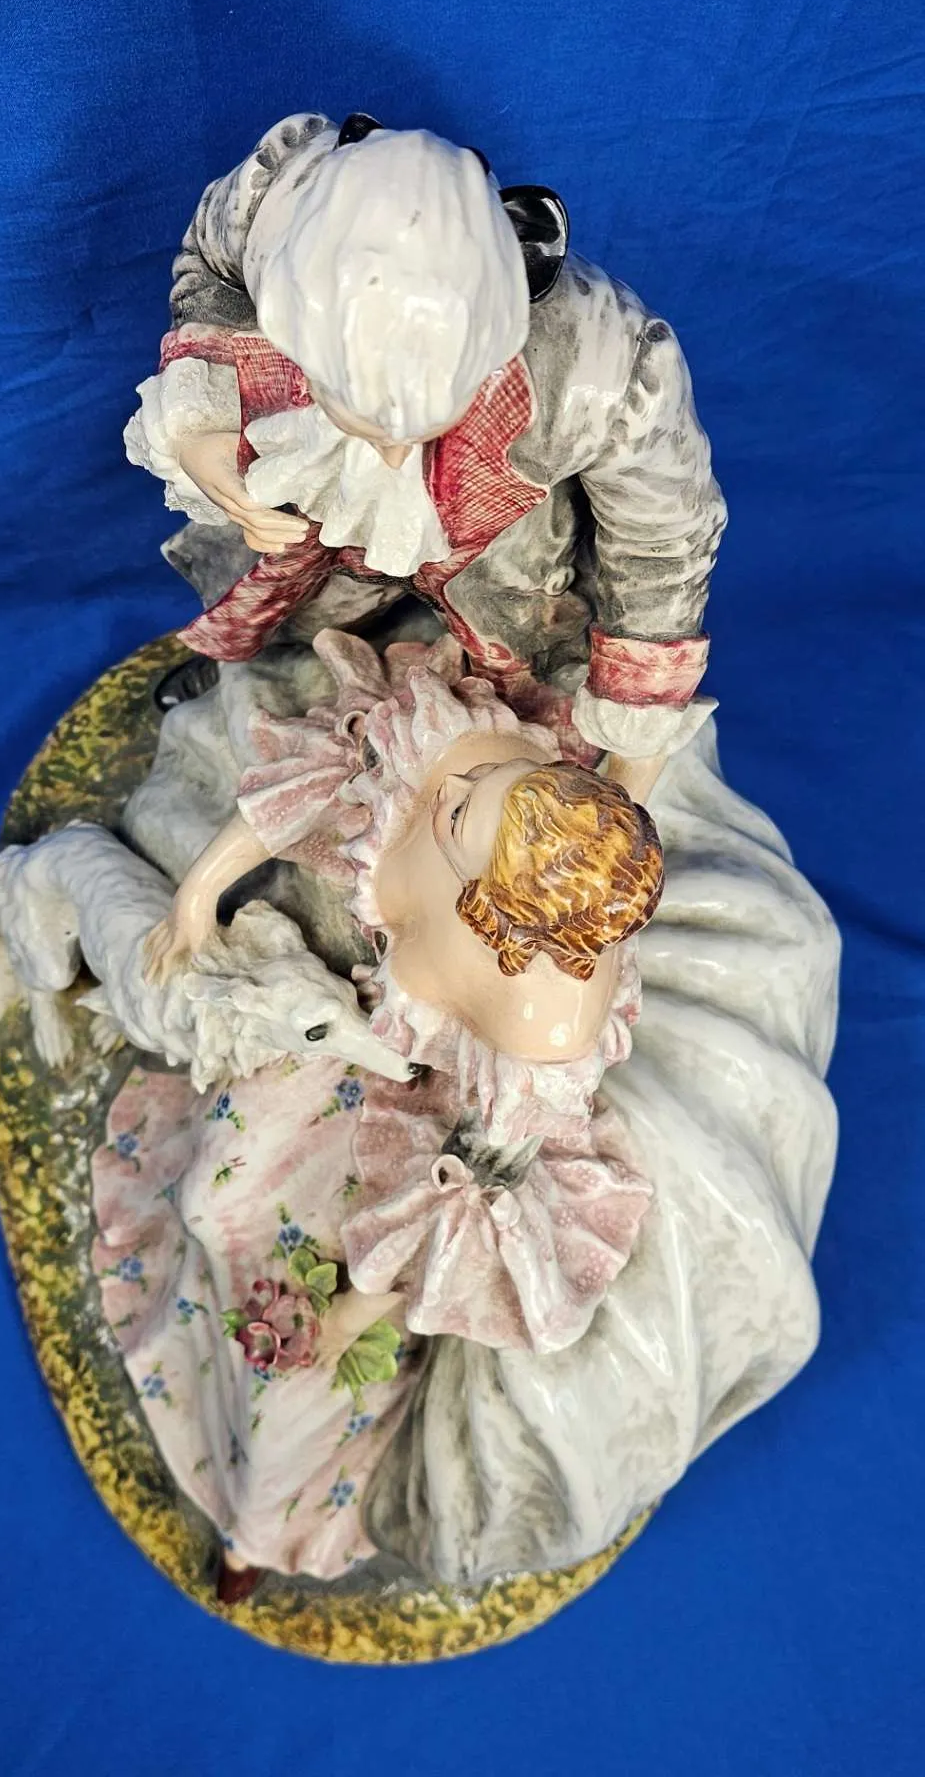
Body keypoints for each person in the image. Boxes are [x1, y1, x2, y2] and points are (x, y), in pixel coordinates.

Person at [89, 627, 838, 1589]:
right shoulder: (477, 756)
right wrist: (198, 897)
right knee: (208, 1200)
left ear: (497, 910)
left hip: (418, 1124)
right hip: (344, 1027)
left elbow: (471, 1185)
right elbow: (318, 784)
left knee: (300, 1330)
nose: (451, 787)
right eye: (480, 787)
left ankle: (268, 1520)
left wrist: (360, 1301)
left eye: (460, 813)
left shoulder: (540, 1028)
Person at [124, 113, 727, 763]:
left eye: (421, 427)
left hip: (499, 550)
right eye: (355, 415)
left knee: (518, 676)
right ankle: (268, 677)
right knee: (302, 618)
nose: (390, 456)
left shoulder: (611, 364)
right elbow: (210, 273)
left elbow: (662, 532)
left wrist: (633, 699)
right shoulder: (269, 200)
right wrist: (204, 419)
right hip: (309, 512)